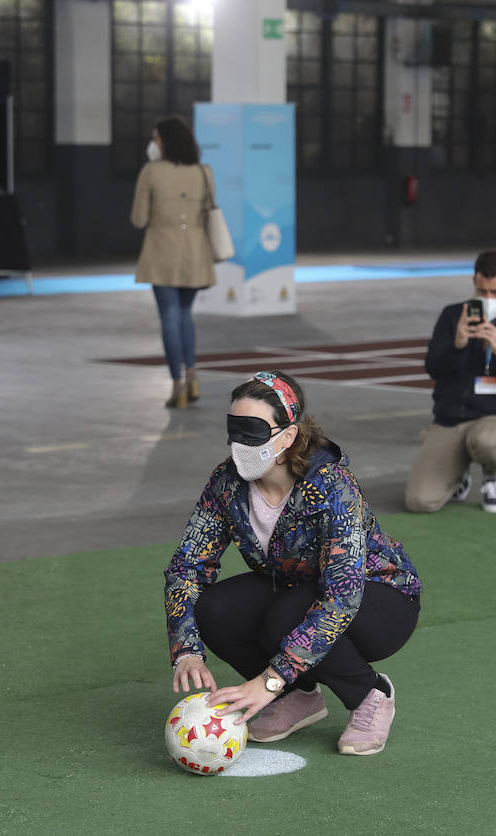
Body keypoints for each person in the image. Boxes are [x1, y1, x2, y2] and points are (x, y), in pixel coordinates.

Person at [166, 371, 421, 756]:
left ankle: (370, 694)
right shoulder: (226, 483)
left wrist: (267, 680)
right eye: (233, 429)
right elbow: (187, 566)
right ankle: (300, 696)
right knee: (215, 609)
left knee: (290, 612)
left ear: (287, 437)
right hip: (297, 590)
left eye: (251, 431)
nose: (239, 444)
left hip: (380, 600)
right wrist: (186, 649)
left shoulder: (333, 486)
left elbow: (341, 597)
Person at [404, 251, 496, 515]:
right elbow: (432, 367)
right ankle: (457, 472)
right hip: (450, 418)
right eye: (482, 291)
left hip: (493, 418)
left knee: (489, 442)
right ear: (474, 283)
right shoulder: (452, 316)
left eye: (495, 291)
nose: (489, 299)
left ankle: (494, 476)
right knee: (419, 502)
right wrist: (457, 344)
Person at [131, 115, 216, 410]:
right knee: (184, 314)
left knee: (169, 315)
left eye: (155, 138)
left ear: (164, 142)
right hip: (195, 252)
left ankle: (177, 385)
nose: (152, 144)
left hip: (161, 253)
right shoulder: (203, 171)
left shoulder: (151, 172)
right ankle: (193, 376)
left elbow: (139, 219)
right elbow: (209, 211)